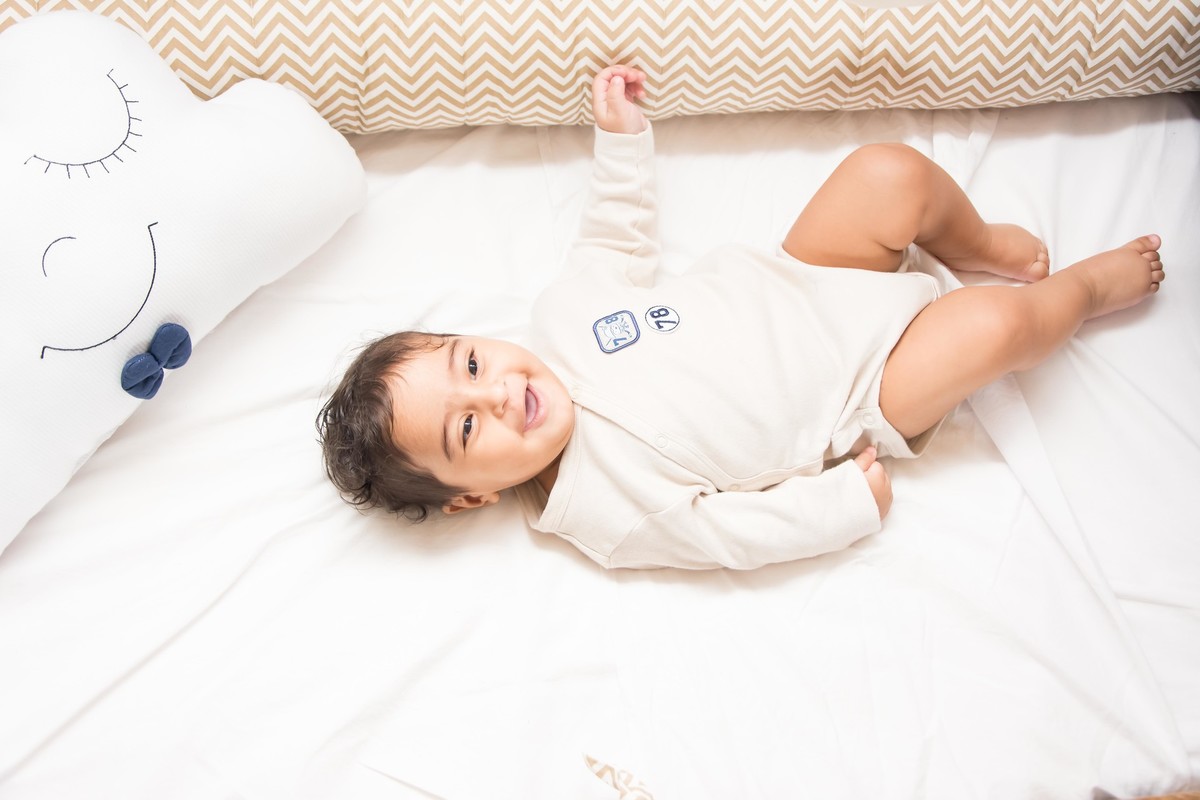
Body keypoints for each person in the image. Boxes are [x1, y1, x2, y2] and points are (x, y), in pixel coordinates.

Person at [317, 65, 1165, 570]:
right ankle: (1086, 292)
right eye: (468, 431)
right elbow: (726, 536)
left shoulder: (565, 313)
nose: (497, 396)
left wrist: (620, 138)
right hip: (864, 388)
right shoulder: (601, 513)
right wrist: (841, 508)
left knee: (889, 171)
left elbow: (616, 229)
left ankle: (974, 237)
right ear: (474, 497)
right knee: (995, 329)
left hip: (808, 273)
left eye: (470, 366)